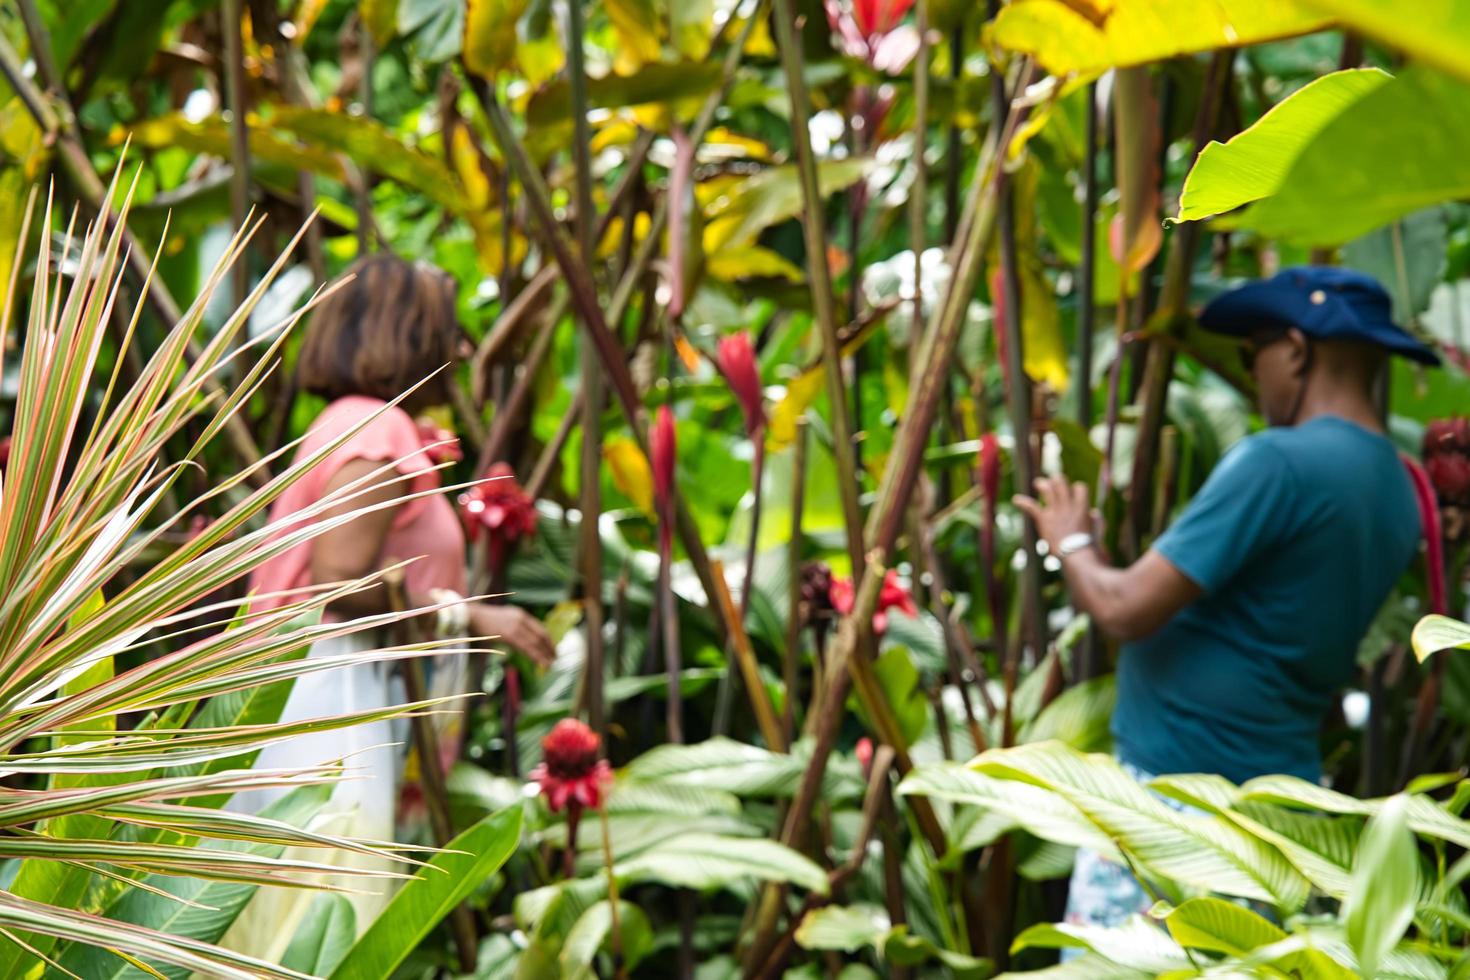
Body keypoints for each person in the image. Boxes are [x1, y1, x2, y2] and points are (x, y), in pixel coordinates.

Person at [1013, 266, 1438, 928]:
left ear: (1296, 350)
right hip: (1282, 807)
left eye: (1252, 354)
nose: (1251, 374)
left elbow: (1126, 608)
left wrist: (1071, 544)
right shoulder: (1398, 486)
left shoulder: (1280, 462)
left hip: (1183, 811)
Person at [226, 254, 554, 952]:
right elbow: (339, 580)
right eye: (446, 330)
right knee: (320, 926)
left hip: (307, 699)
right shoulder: (377, 431)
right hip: (332, 709)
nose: (462, 349)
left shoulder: (352, 423)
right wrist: (470, 615)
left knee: (282, 926)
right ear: (404, 333)